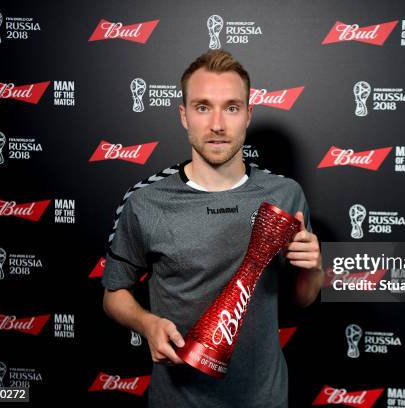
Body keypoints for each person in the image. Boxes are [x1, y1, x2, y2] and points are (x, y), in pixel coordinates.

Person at [102, 49, 323, 408]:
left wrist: (312, 267)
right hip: (179, 400)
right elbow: (113, 295)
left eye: (232, 107)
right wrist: (146, 324)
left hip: (264, 399)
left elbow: (303, 298)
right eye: (203, 107)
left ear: (248, 115)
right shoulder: (145, 202)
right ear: (184, 115)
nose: (217, 124)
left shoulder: (286, 195)